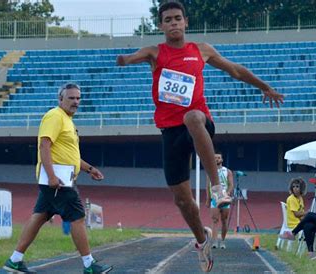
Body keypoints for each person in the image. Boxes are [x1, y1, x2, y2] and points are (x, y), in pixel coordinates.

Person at [116, 1, 284, 272]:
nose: (173, 23)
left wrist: (265, 87)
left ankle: (217, 189)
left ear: (186, 22)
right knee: (182, 199)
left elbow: (236, 70)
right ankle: (201, 241)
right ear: (161, 26)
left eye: (177, 18)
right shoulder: (155, 52)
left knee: (192, 116)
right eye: (167, 19)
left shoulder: (201, 50)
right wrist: (125, 60)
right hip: (170, 133)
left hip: (200, 124)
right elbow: (135, 56)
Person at [3, 83, 112, 274]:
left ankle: (14, 260)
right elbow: (44, 145)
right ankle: (89, 265)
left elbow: (69, 154)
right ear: (60, 99)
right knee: (77, 217)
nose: (76, 102)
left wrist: (89, 169)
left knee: (39, 216)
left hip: (60, 179)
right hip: (59, 181)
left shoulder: (67, 120)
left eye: (78, 98)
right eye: (71, 98)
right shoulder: (55, 116)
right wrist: (52, 176)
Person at [205, 152, 234, 249]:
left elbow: (231, 185)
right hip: (214, 198)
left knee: (224, 220)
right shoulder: (210, 171)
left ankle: (223, 240)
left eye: (218, 158)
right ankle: (214, 241)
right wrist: (208, 199)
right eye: (215, 158)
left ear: (222, 159)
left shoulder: (228, 171)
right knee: (214, 220)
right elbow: (208, 186)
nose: (217, 159)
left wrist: (228, 193)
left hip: (224, 198)